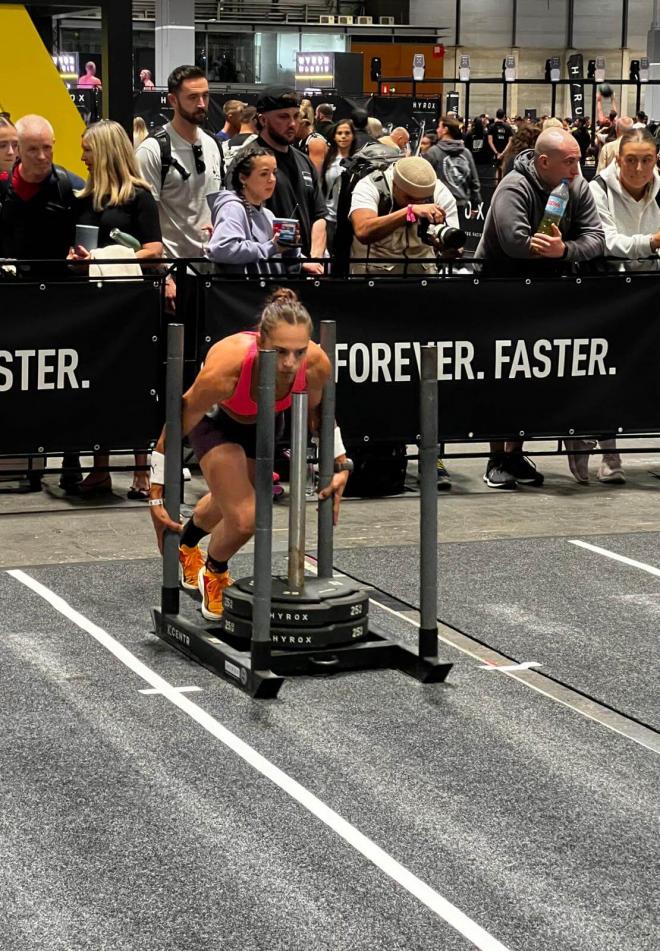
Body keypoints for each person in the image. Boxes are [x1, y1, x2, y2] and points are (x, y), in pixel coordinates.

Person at [148, 288, 351, 621]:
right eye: (280, 351)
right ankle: (213, 570)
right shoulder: (226, 366)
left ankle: (187, 545)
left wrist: (342, 463)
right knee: (245, 519)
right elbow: (180, 418)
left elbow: (319, 416)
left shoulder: (315, 364)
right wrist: (156, 491)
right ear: (260, 342)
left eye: (298, 352)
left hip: (268, 422)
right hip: (217, 422)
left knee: (231, 499)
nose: (289, 363)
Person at [475, 128, 605, 490]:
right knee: (501, 377)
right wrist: (548, 249)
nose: (577, 167)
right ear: (544, 162)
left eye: (578, 159)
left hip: (546, 296)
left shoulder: (575, 186)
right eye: (570, 161)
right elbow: (514, 242)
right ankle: (496, 457)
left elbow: (596, 238)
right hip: (502, 293)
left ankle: (515, 453)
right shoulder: (514, 186)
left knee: (533, 378)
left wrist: (563, 251)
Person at [68, 119, 163, 498]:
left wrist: (111, 256)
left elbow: (155, 249)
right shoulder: (82, 198)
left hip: (132, 307)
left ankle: (142, 472)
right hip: (94, 306)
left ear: (105, 150)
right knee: (97, 383)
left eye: (87, 150)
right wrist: (78, 259)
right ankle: (100, 467)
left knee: (136, 385)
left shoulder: (139, 196)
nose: (82, 157)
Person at [567, 127, 660, 486]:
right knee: (607, 374)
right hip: (609, 295)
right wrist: (651, 242)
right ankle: (606, 449)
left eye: (647, 160)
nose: (639, 168)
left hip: (650, 295)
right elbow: (606, 243)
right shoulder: (597, 190)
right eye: (631, 160)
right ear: (618, 160)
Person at [136, 64, 222, 311]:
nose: (202, 104)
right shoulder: (152, 150)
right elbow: (144, 222)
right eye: (193, 97)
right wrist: (164, 275)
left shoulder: (213, 144)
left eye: (205, 95)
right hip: (172, 275)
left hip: (210, 271)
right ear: (173, 100)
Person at [249, 85, 326, 273]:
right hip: (269, 273)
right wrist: (298, 263)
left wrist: (315, 260)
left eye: (296, 116)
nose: (292, 123)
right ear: (263, 119)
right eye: (283, 117)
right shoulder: (248, 161)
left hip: (308, 272)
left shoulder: (304, 161)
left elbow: (319, 216)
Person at [349, 154, 459, 275]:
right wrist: (408, 212)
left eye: (423, 199)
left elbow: (455, 245)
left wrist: (446, 246)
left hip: (422, 274)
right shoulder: (370, 186)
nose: (417, 203)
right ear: (394, 184)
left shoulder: (439, 191)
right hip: (374, 274)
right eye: (409, 197)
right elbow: (363, 231)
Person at [206, 146, 298, 275]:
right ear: (243, 178)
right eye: (264, 174)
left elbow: (275, 254)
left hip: (268, 290)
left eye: (274, 172)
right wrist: (271, 247)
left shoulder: (268, 214)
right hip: (243, 292)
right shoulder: (233, 208)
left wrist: (291, 248)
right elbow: (223, 249)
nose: (272, 179)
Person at [423, 115, 481, 212]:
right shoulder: (466, 153)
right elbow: (474, 181)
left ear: (445, 129)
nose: (437, 130)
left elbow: (425, 180)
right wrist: (475, 204)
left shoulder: (433, 152)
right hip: (462, 204)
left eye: (439, 127)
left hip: (439, 207)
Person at [320, 119, 357, 251]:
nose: (343, 136)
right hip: (329, 216)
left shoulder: (358, 161)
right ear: (334, 136)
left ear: (353, 136)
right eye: (339, 133)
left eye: (347, 133)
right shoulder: (328, 159)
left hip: (349, 219)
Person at [488, 109, 513, 180]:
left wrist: (496, 153)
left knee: (496, 170)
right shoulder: (508, 127)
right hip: (505, 154)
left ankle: (496, 186)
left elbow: (490, 141)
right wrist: (503, 153)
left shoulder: (491, 127)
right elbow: (510, 142)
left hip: (494, 154)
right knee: (503, 169)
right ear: (504, 116)